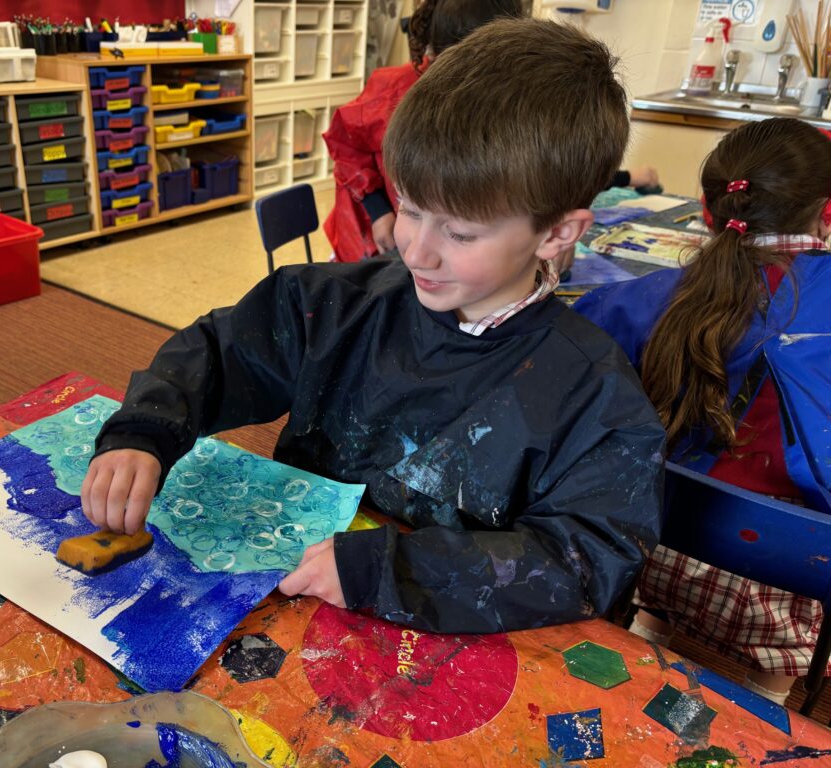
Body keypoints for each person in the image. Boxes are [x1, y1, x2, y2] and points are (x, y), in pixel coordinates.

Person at [81, 18, 665, 635]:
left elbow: (583, 561)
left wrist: (392, 572)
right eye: (410, 208)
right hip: (295, 608)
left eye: (461, 233)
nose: (416, 251)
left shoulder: (596, 397)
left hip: (442, 650)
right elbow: (221, 353)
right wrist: (145, 430)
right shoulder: (334, 304)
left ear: (556, 233)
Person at [574, 117, 831, 703]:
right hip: (785, 581)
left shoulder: (642, 297)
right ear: (827, 212)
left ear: (707, 209)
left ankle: (645, 641)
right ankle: (763, 705)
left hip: (650, 547)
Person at [321, 0, 659, 263]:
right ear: (436, 56)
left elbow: (542, 169)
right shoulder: (390, 94)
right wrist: (381, 212)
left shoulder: (517, 102)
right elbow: (346, 146)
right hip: (373, 236)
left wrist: (622, 180)